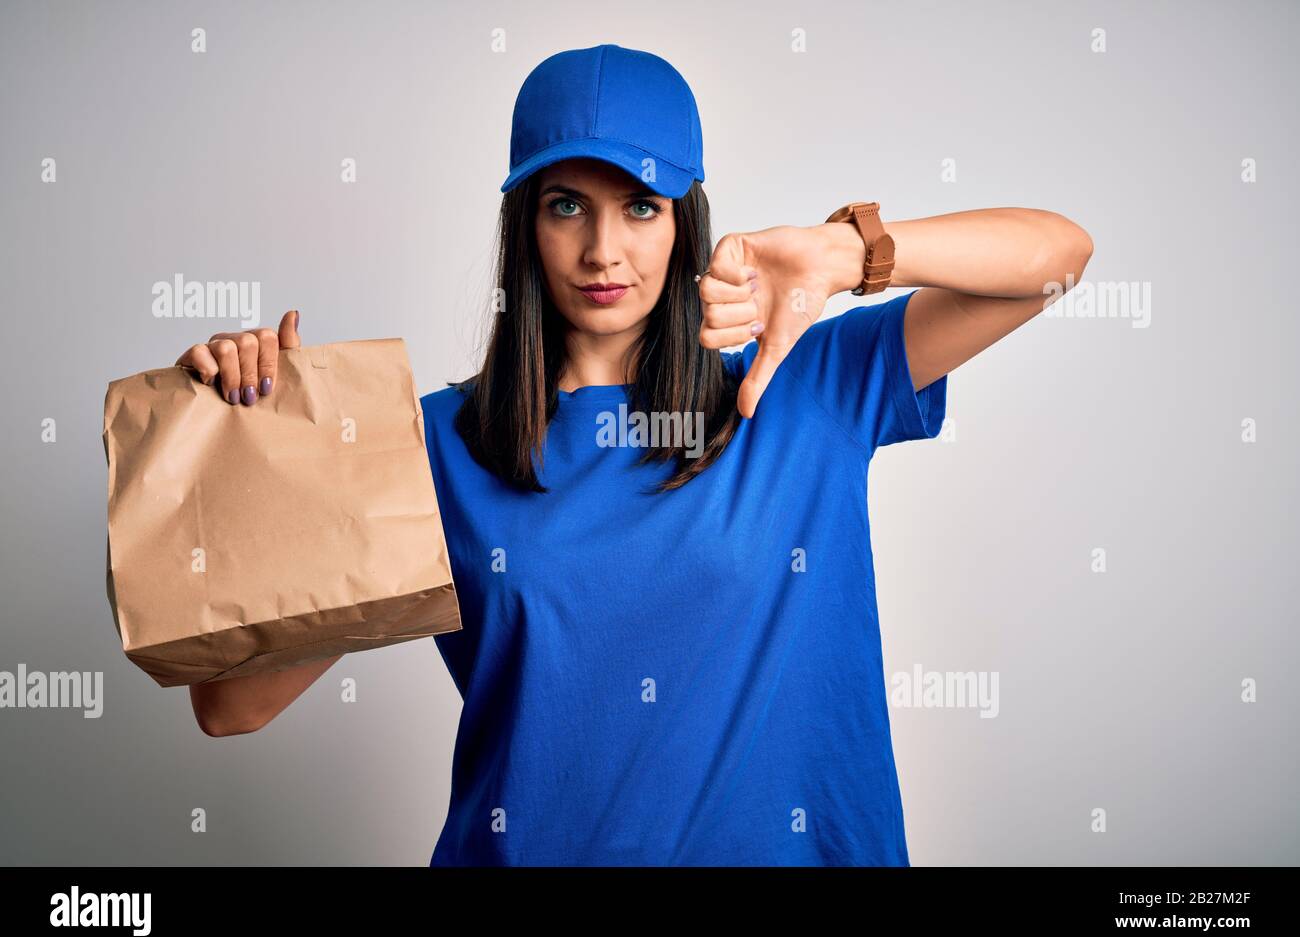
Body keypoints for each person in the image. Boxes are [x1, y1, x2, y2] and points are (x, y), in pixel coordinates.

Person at [181, 44, 1092, 865]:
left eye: (641, 207)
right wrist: (251, 440)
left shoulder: (802, 385)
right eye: (566, 205)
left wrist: (846, 251)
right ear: (523, 225)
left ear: (684, 221)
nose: (602, 250)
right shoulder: (435, 447)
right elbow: (232, 708)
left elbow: (1059, 255)